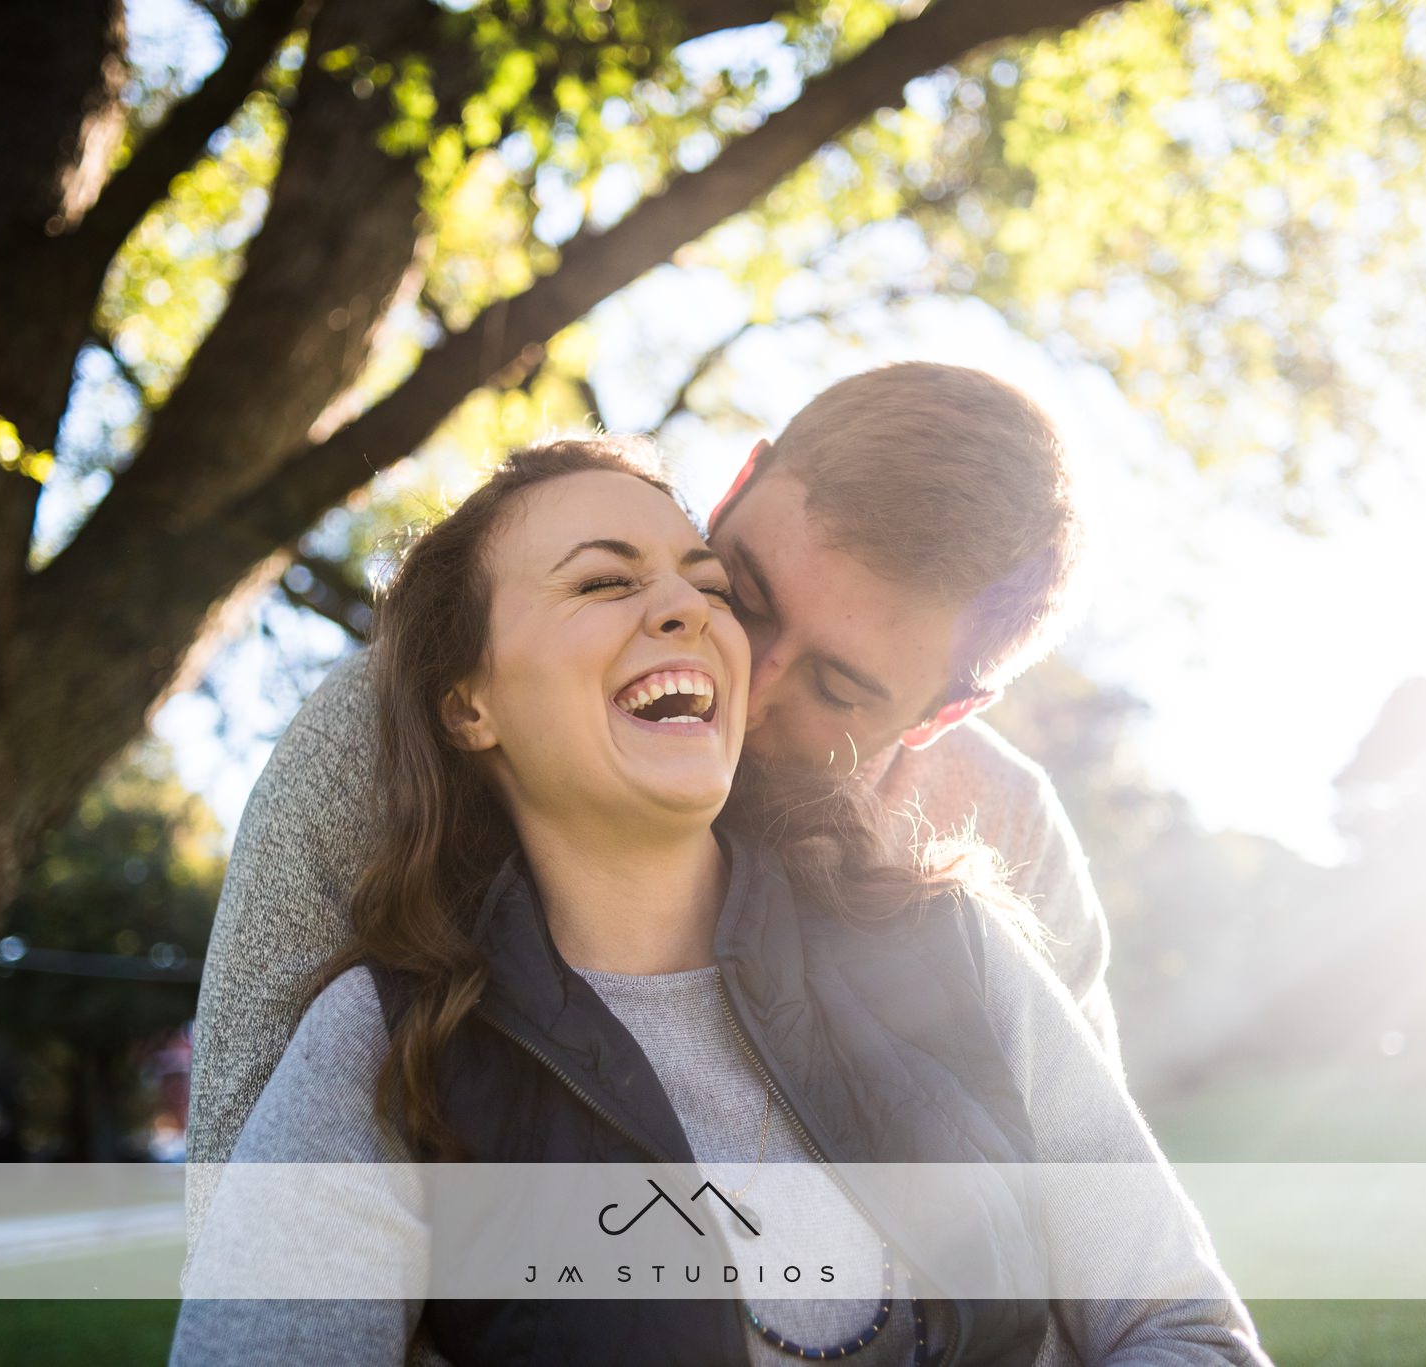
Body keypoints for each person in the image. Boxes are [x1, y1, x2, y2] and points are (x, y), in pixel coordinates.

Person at [171, 439, 1265, 1365]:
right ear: (466, 701)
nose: (690, 613)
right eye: (605, 582)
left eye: (705, 586)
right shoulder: (386, 1040)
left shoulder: (955, 942)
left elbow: (1177, 1319)